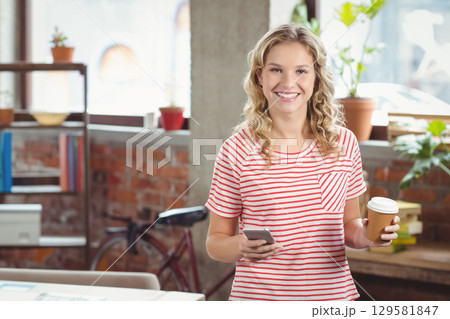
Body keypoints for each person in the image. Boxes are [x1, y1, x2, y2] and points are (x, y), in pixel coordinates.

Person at [205, 24, 400, 301]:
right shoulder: (236, 150)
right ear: (260, 76)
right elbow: (215, 243)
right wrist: (240, 245)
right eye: (276, 69)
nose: (288, 83)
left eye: (301, 71)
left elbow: (349, 227)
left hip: (332, 303)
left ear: (316, 78)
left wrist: (371, 236)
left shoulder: (343, 143)